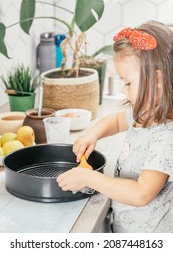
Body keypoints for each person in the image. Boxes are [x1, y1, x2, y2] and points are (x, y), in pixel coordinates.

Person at [57, 21, 173, 233]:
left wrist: (89, 177)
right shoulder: (145, 112)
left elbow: (141, 193)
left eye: (128, 83)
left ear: (157, 79)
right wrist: (93, 134)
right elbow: (118, 121)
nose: (123, 89)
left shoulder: (167, 136)